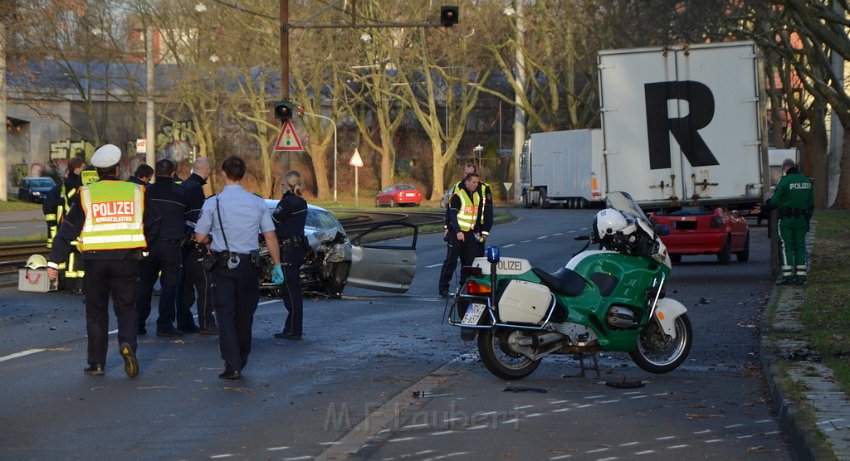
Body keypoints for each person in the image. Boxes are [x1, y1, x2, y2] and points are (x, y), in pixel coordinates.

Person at [46, 144, 160, 378]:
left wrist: (54, 262)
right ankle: (127, 344)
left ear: (97, 172)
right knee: (127, 309)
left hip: (95, 261)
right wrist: (144, 246)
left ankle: (97, 363)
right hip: (126, 259)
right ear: (117, 169)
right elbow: (154, 223)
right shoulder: (137, 192)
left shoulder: (86, 194)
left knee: (96, 313)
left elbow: (67, 230)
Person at [194, 156, 283, 380]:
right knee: (245, 316)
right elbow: (270, 237)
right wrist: (277, 264)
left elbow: (200, 236)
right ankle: (242, 357)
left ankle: (232, 364)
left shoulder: (212, 203)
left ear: (223, 174)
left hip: (223, 266)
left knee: (225, 315)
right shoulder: (257, 202)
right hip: (249, 266)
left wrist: (209, 242)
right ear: (242, 175)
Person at [137, 159, 190, 337]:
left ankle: (138, 323)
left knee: (144, 284)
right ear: (173, 173)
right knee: (169, 286)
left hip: (149, 244)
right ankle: (164, 325)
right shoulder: (181, 193)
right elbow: (188, 216)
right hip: (172, 245)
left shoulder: (146, 192)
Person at [176, 157, 218, 334]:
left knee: (185, 285)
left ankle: (184, 322)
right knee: (205, 284)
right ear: (206, 171)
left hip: (181, 244)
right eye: (209, 171)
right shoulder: (195, 190)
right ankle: (207, 323)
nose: (209, 174)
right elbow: (197, 220)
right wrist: (206, 240)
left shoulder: (184, 186)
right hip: (194, 244)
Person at [438, 164, 493, 297]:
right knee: (451, 261)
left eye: (476, 182)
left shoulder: (478, 195)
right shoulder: (458, 194)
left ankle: (464, 287)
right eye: (472, 182)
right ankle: (443, 287)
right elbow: (451, 213)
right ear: (466, 181)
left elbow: (481, 213)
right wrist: (452, 229)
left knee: (470, 263)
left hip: (470, 233)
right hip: (457, 233)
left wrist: (482, 230)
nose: (475, 184)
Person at [272, 170, 308, 340]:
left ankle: (293, 329)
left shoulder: (287, 203)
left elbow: (273, 223)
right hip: (297, 248)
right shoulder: (302, 201)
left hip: (287, 250)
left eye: (282, 183)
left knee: (289, 290)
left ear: (286, 184)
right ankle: (293, 327)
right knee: (293, 289)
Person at [767, 158, 814, 285]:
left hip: (787, 220)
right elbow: (811, 204)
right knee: (800, 245)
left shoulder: (784, 181)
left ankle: (787, 277)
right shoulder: (807, 181)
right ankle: (801, 276)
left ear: (785, 168)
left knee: (786, 246)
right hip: (802, 220)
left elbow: (775, 201)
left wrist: (766, 206)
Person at [43, 157, 86, 292]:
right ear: (77, 167)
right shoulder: (74, 184)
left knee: (64, 256)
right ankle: (71, 285)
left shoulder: (62, 185)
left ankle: (61, 283)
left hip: (62, 225)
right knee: (72, 256)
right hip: (71, 224)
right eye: (82, 167)